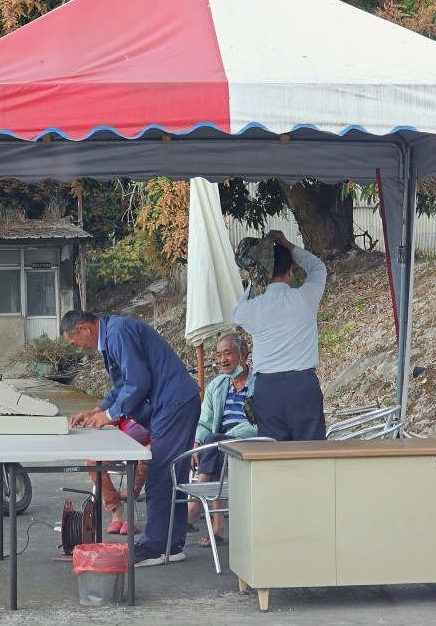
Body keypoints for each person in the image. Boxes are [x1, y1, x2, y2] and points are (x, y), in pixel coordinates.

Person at [61, 310, 199, 567]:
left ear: (84, 329)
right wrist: (98, 410)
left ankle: (154, 547)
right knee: (173, 474)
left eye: (74, 341)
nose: (78, 347)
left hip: (174, 403)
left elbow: (138, 382)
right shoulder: (113, 334)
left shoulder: (118, 332)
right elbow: (123, 385)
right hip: (174, 403)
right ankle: (172, 544)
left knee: (159, 472)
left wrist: (111, 414)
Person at [232, 229, 327, 441]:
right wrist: (288, 244)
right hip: (303, 386)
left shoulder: (253, 309)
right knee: (312, 454)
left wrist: (257, 276)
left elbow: (237, 312)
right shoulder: (304, 298)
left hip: (268, 389)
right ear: (291, 270)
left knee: (275, 458)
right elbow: (318, 268)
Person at [187, 333, 256, 547]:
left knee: (217, 442)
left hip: (249, 439)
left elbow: (262, 423)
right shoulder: (217, 386)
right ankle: (217, 528)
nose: (222, 360)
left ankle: (195, 507)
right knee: (216, 444)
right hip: (217, 443)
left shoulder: (260, 383)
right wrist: (198, 443)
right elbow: (204, 421)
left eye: (228, 353)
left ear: (243, 354)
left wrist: (229, 436)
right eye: (218, 355)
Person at [86, 418, 150, 536]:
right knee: (92, 460)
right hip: (124, 446)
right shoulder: (128, 404)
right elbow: (108, 418)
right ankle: (115, 507)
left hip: (148, 446)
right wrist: (92, 418)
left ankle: (133, 495)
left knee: (145, 456)